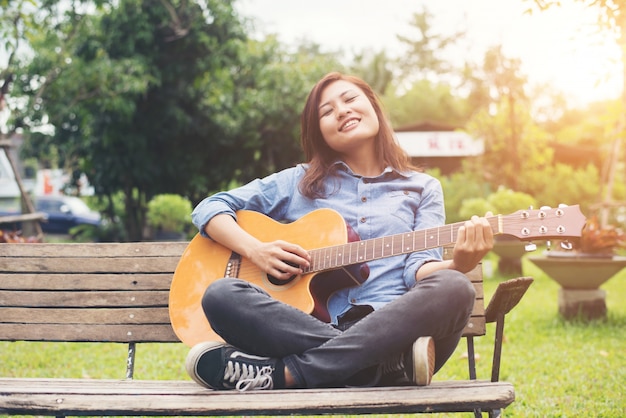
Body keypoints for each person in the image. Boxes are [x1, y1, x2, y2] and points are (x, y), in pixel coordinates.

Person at [186, 71, 493, 391]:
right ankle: (379, 366)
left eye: (349, 100)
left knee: (455, 287)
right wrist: (255, 250)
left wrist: (460, 263)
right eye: (327, 111)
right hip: (315, 329)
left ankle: (286, 374)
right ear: (319, 132)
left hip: (395, 328)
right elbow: (210, 207)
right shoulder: (297, 182)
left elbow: (419, 269)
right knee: (221, 295)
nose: (342, 111)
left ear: (373, 107)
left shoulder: (422, 188)